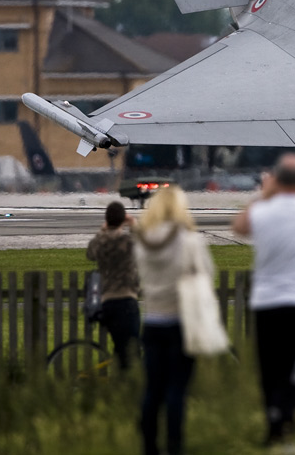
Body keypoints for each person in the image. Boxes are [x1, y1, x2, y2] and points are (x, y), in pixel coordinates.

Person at [232, 153, 295, 448]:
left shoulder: (263, 212)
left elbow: (239, 226)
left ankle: (274, 421)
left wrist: (265, 194)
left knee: (270, 366)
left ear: (275, 180)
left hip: (265, 304)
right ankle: (286, 424)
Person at [134, 186, 213, 455]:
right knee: (176, 390)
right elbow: (205, 274)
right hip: (180, 322)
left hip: (152, 322)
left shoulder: (142, 241)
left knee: (152, 390)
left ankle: (148, 446)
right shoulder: (188, 240)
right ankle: (174, 446)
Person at [86, 201, 140, 370]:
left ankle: (118, 386)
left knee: (121, 350)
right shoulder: (127, 241)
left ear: (106, 220)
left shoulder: (101, 243)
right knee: (132, 354)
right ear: (123, 219)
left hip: (107, 302)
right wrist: (134, 225)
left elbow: (90, 253)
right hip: (126, 300)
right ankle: (124, 389)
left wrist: (102, 231)